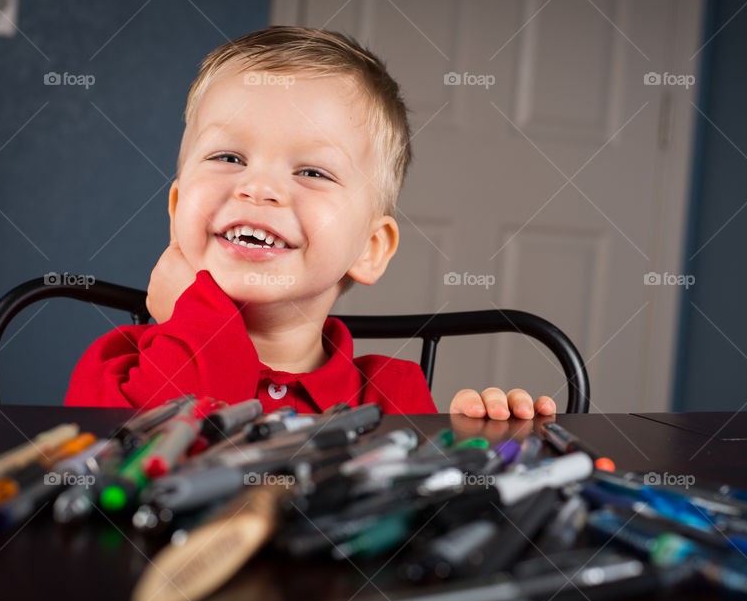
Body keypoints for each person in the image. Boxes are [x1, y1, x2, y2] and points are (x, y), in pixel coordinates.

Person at [65, 26, 556, 421]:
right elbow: (160, 469)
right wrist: (194, 322)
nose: (258, 188)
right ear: (177, 213)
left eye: (312, 171)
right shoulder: (117, 368)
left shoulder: (392, 396)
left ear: (369, 248)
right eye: (229, 156)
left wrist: (489, 449)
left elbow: (421, 525)